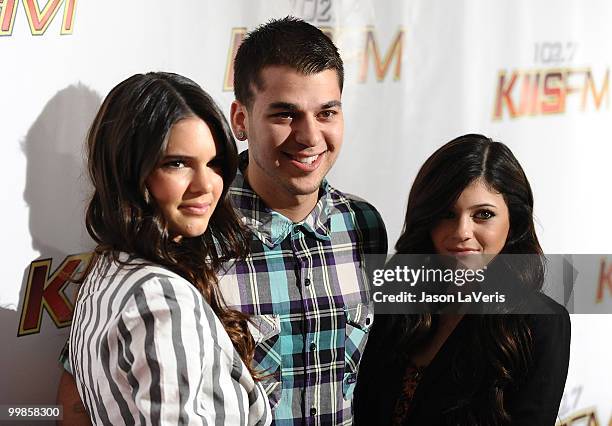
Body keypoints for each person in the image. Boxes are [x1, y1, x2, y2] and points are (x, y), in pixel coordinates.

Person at [58, 17, 387, 425]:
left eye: (327, 113)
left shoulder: (364, 224)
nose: (310, 136)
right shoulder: (190, 223)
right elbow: (84, 386)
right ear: (240, 120)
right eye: (285, 115)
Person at [68, 72, 271, 425]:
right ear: (131, 171)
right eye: (176, 163)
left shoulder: (109, 269)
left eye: (214, 164)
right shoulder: (160, 299)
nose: (206, 185)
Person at [354, 134, 571, 425]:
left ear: (514, 221)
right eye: (447, 213)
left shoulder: (539, 322)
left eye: (483, 214)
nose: (461, 232)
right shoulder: (395, 302)